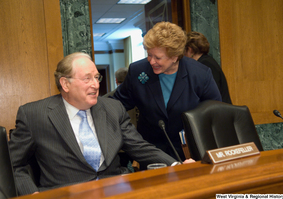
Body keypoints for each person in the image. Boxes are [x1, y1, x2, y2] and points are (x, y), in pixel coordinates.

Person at [9, 52, 193, 196]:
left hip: (115, 190)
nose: (96, 85)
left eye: (97, 78)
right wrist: (32, 194)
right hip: (65, 194)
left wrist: (176, 165)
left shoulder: (113, 108)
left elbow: (139, 147)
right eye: (87, 78)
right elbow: (12, 164)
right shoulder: (34, 115)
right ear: (65, 84)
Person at [113, 22, 222, 162]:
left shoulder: (199, 74)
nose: (151, 61)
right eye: (149, 55)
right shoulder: (137, 71)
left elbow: (215, 114)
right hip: (151, 153)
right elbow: (117, 104)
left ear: (175, 56)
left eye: (157, 57)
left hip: (189, 153)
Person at [185, 31, 232, 104]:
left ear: (190, 50)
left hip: (218, 112)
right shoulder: (207, 61)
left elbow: (211, 95)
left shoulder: (204, 64)